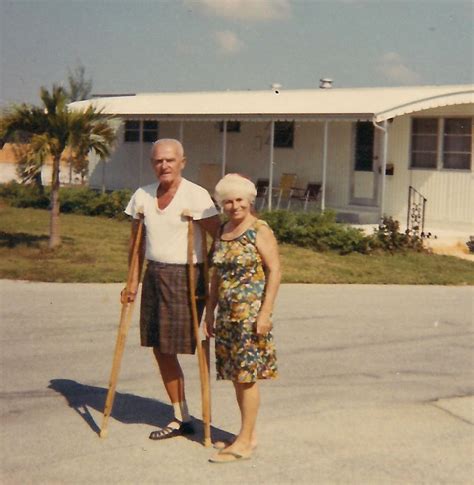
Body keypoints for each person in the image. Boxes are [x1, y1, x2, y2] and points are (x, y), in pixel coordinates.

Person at [123, 138, 220, 440]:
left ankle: (193, 418)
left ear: (182, 162)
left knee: (181, 345)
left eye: (169, 160)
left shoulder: (197, 195)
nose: (163, 166)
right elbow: (135, 245)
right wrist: (131, 282)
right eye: (158, 161)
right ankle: (181, 415)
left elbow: (220, 238)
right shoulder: (142, 196)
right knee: (159, 346)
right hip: (154, 272)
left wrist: (213, 277)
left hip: (187, 274)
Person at [204, 173, 281, 464]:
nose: (234, 206)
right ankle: (246, 433)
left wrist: (265, 313)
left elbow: (275, 271)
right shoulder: (223, 230)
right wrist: (209, 312)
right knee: (237, 378)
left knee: (246, 379)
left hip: (250, 317)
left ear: (249, 200)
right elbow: (216, 275)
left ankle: (245, 442)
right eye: (228, 201)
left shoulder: (259, 230)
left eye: (239, 200)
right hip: (226, 316)